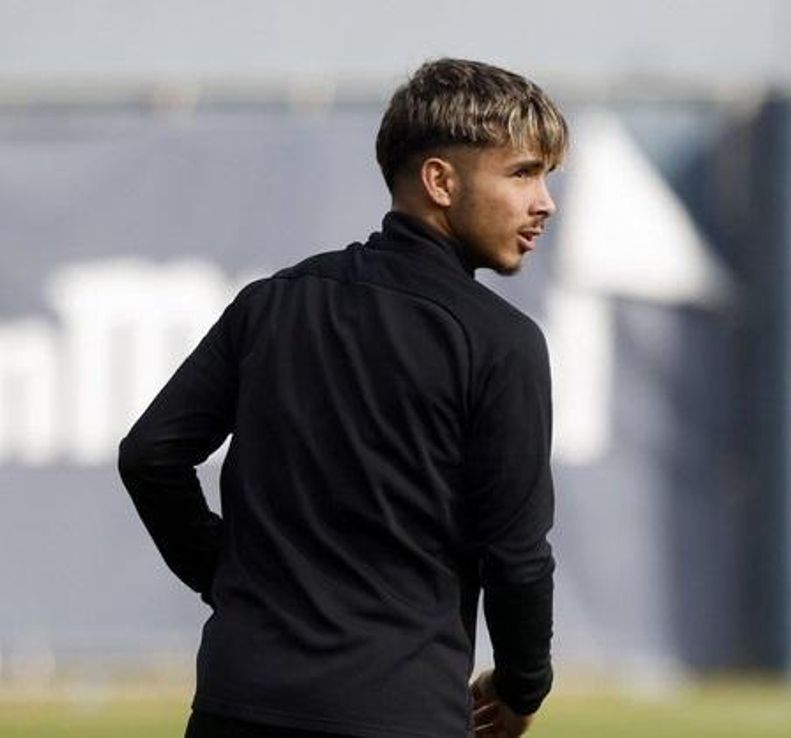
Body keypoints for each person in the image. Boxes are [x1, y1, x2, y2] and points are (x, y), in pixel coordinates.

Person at [118, 58, 567, 738]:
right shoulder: (501, 342)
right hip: (398, 714)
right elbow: (517, 555)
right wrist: (522, 685)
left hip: (236, 706)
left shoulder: (272, 303)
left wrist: (230, 582)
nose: (545, 202)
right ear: (441, 181)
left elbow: (151, 456)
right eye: (522, 172)